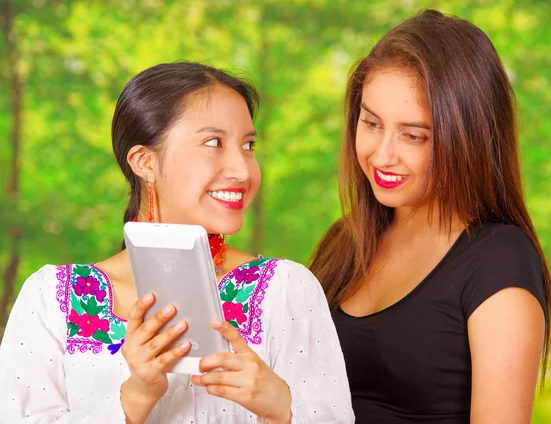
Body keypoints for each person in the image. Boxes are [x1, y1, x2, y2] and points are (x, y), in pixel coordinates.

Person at [0, 62, 354, 424]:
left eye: (248, 145)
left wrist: (284, 408)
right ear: (144, 162)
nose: (244, 170)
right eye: (213, 142)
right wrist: (135, 395)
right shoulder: (50, 300)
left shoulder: (286, 289)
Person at [309, 9, 551, 424]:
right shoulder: (347, 240)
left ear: (469, 139)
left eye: (414, 135)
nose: (382, 155)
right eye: (371, 123)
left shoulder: (499, 260)